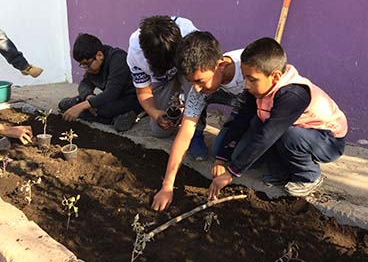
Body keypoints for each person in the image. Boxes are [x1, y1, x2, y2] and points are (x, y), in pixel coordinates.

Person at [208, 37, 348, 199]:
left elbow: (268, 135)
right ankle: (280, 171)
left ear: (274, 77)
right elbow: (242, 119)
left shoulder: (293, 94)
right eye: (245, 78)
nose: (246, 85)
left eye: (252, 79)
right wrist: (222, 158)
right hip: (293, 130)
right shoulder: (258, 89)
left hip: (327, 140)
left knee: (286, 135)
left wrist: (232, 173)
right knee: (254, 126)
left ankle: (309, 176)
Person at [152, 31, 246, 211]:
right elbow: (186, 131)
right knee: (220, 150)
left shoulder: (248, 69)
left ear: (219, 66)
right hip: (239, 120)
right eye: (191, 82)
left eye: (200, 81)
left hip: (269, 119)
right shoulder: (199, 89)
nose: (196, 88)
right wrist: (167, 185)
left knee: (246, 152)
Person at [127, 15, 208, 160]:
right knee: (159, 131)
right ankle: (175, 113)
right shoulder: (135, 54)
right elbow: (143, 91)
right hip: (163, 80)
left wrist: (191, 112)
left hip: (188, 72)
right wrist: (154, 113)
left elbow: (203, 77)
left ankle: (196, 132)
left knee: (196, 87)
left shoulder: (189, 35)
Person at [59, 33, 143, 132]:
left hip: (131, 100)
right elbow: (85, 83)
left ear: (99, 55)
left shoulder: (118, 59)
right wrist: (88, 96)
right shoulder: (93, 66)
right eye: (82, 65)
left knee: (100, 110)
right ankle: (114, 117)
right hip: (111, 100)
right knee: (65, 105)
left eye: (87, 64)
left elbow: (111, 93)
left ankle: (120, 116)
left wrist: (82, 106)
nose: (86, 69)